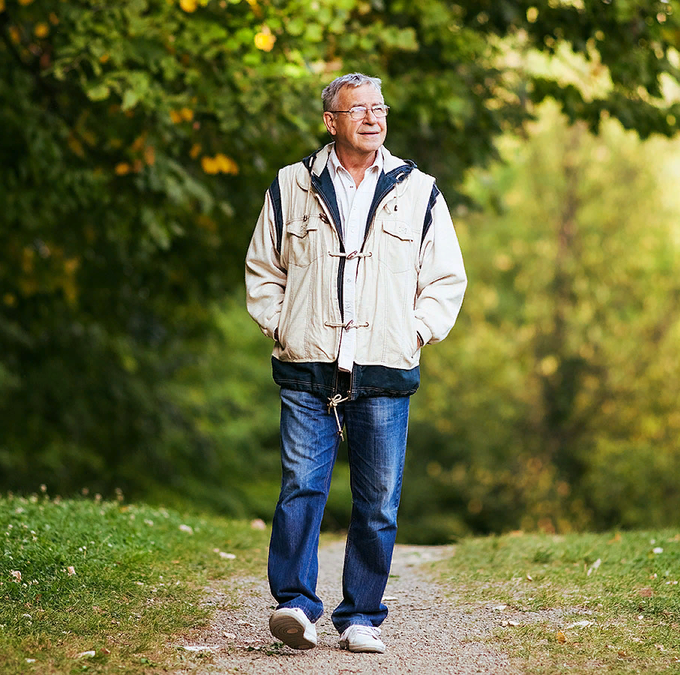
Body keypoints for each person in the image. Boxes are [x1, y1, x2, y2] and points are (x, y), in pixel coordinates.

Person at [244, 72, 466, 654]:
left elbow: (445, 280)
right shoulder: (292, 185)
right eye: (359, 109)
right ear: (331, 121)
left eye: (379, 108)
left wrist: (412, 334)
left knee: (378, 500)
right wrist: (284, 326)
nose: (373, 117)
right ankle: (295, 606)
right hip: (307, 365)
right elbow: (263, 271)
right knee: (300, 488)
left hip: (385, 368)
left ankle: (361, 615)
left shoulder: (419, 190)